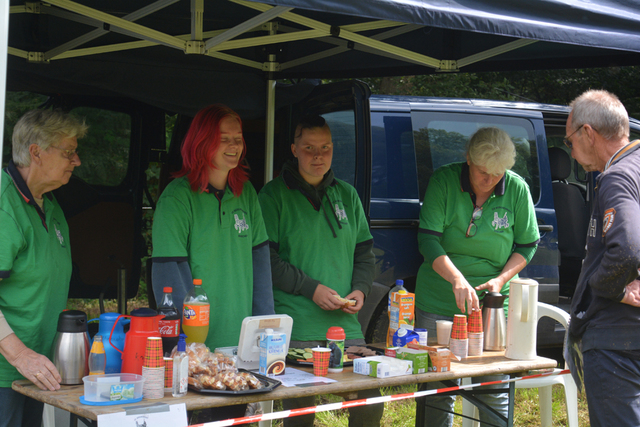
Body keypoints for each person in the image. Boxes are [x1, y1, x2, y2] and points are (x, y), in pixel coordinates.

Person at [151, 104, 274, 423]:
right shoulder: (176, 198)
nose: (235, 146)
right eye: (224, 139)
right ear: (201, 142)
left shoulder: (246, 193)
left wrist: (267, 333)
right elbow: (168, 278)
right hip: (198, 356)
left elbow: (261, 268)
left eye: (238, 138)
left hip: (240, 349)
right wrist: (190, 351)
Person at [258, 115, 383, 427]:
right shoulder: (273, 196)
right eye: (309, 148)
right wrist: (311, 288)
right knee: (300, 414)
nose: (318, 156)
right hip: (296, 329)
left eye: (325, 148)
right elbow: (266, 263)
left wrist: (361, 289)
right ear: (294, 149)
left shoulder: (347, 195)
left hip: (346, 328)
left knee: (369, 404)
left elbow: (365, 255)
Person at [414, 127, 540, 426]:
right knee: (436, 387)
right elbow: (428, 240)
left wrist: (500, 280)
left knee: (493, 387)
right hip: (439, 298)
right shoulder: (444, 181)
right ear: (468, 159)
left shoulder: (517, 188)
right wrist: (457, 279)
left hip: (493, 306)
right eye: (483, 172)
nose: (489, 180)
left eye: (497, 175)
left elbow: (527, 244)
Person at [0, 109, 87, 427]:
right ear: (35, 152)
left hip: (36, 374)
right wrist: (20, 355)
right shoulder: (3, 203)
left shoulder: (50, 206)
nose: (76, 161)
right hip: (5, 375)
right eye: (68, 152)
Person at [565, 90, 640, 427]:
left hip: (615, 342)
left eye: (569, 141)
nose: (571, 151)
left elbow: (626, 247)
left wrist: (608, 287)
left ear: (588, 134)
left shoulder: (617, 176)